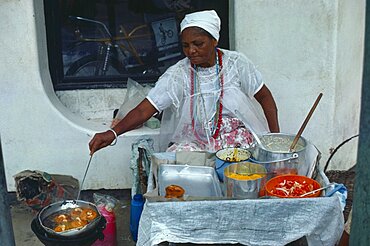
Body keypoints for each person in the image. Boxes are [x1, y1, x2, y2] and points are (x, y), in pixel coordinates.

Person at [89, 10, 279, 154]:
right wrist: (113, 133)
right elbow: (145, 109)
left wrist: (276, 140)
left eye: (198, 44)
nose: (191, 51)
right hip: (195, 141)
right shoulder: (178, 74)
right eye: (186, 45)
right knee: (177, 166)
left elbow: (264, 96)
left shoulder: (236, 64)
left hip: (234, 139)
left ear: (215, 40)